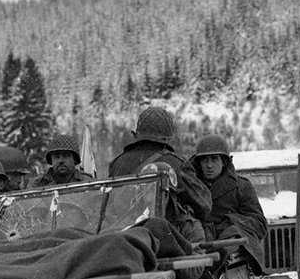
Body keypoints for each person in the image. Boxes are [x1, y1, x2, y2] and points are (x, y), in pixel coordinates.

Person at [108, 106, 212, 249]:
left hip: (124, 240)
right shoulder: (177, 164)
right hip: (166, 242)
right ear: (168, 138)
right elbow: (204, 205)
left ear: (138, 134)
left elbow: (111, 208)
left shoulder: (117, 163)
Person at [189, 134, 267, 262]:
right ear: (199, 163)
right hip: (198, 247)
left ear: (224, 162)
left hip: (231, 256)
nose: (209, 165)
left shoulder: (241, 186)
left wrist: (230, 223)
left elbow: (259, 223)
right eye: (205, 160)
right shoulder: (190, 187)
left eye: (214, 159)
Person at [29, 134, 94, 187]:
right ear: (51, 160)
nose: (61, 160)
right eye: (56, 156)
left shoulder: (87, 182)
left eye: (66, 156)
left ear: (75, 159)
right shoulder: (37, 184)